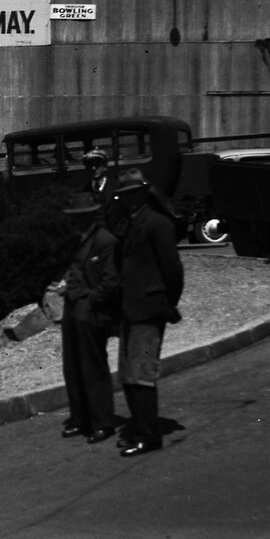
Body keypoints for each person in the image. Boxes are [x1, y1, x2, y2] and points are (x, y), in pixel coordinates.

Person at [108, 168, 184, 457]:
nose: (128, 199)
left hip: (149, 310)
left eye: (133, 193)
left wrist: (166, 303)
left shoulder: (157, 223)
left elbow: (172, 269)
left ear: (144, 193)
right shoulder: (128, 224)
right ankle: (138, 428)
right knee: (128, 374)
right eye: (123, 195)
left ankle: (148, 436)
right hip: (130, 309)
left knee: (141, 374)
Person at [58, 192, 122, 443]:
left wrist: (90, 302)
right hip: (72, 308)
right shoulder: (75, 240)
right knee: (73, 367)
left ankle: (102, 421)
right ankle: (80, 418)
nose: (77, 221)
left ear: (92, 216)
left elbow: (111, 281)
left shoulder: (106, 241)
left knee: (93, 368)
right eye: (75, 216)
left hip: (91, 311)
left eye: (82, 216)